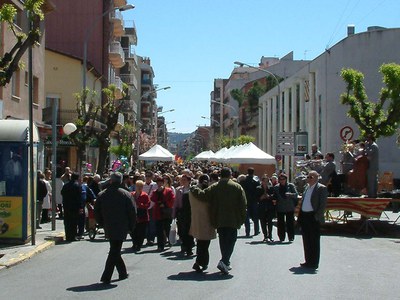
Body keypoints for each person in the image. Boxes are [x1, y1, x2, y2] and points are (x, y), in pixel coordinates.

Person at [190, 167, 247, 275]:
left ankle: (225, 261)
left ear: (220, 175)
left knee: (224, 241)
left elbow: (203, 195)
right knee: (231, 241)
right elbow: (243, 205)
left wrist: (194, 189)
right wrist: (242, 219)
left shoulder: (215, 187)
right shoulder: (237, 187)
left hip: (219, 219)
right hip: (233, 219)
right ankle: (224, 261)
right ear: (230, 175)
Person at [95, 172, 136, 284]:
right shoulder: (126, 194)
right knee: (115, 249)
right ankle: (107, 275)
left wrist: (101, 223)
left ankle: (122, 272)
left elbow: (97, 212)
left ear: (111, 181)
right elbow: (132, 212)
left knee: (114, 248)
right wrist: (131, 227)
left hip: (108, 225)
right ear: (122, 181)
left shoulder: (102, 194)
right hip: (122, 226)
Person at [298, 170, 328, 270]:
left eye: (311, 177)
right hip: (305, 216)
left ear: (316, 178)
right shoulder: (306, 188)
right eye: (308, 176)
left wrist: (317, 216)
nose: (309, 178)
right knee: (306, 239)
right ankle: (308, 261)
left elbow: (322, 205)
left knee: (314, 240)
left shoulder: (321, 188)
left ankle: (314, 263)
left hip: (313, 216)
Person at [189, 174, 216, 273]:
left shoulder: (192, 191)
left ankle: (202, 262)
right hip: (207, 220)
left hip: (196, 219)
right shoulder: (209, 192)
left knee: (200, 242)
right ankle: (200, 262)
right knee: (204, 243)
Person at [150, 176, 175, 252]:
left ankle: (170, 240)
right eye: (158, 182)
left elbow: (172, 199)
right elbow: (152, 199)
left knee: (167, 228)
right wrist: (157, 192)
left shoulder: (168, 190)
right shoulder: (155, 191)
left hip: (166, 213)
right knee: (159, 230)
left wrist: (165, 204)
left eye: (161, 182)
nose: (159, 183)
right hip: (158, 213)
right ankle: (160, 245)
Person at [273, 173, 298, 242]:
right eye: (280, 179)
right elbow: (274, 196)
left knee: (290, 223)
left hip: (289, 207)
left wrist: (290, 195)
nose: (282, 181)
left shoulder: (291, 186)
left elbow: (296, 194)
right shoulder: (276, 187)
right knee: (280, 223)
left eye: (283, 179)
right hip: (280, 207)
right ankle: (281, 237)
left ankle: (291, 237)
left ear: (286, 179)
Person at [174, 174, 194, 256]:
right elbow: (175, 203)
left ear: (189, 181)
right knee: (181, 231)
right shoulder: (179, 190)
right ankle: (184, 245)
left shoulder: (193, 190)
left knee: (189, 231)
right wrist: (174, 214)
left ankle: (189, 248)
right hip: (181, 213)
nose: (183, 181)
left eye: (185, 180)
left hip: (190, 213)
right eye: (182, 180)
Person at [131, 180, 151, 252]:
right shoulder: (132, 194)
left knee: (141, 232)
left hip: (143, 216)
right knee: (133, 231)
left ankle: (139, 245)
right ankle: (134, 243)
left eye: (141, 186)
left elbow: (147, 205)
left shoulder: (145, 195)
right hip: (134, 216)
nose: (139, 188)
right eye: (137, 186)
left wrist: (139, 205)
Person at [61, 172, 81, 241]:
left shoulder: (66, 185)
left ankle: (68, 235)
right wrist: (80, 207)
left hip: (66, 206)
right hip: (74, 207)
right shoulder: (77, 186)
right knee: (74, 222)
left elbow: (62, 193)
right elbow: (79, 197)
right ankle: (73, 236)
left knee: (67, 221)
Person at [241, 167, 261, 237]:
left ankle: (247, 232)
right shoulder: (256, 180)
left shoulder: (244, 181)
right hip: (254, 200)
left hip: (246, 200)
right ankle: (256, 230)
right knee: (255, 217)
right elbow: (259, 189)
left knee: (246, 217)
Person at [256, 175, 275, 243]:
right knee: (263, 221)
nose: (265, 182)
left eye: (267, 181)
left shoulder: (271, 188)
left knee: (270, 221)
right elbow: (256, 198)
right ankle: (265, 235)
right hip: (262, 207)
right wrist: (261, 197)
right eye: (264, 181)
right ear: (262, 181)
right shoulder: (258, 188)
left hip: (269, 206)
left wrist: (269, 197)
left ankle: (270, 235)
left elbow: (273, 196)